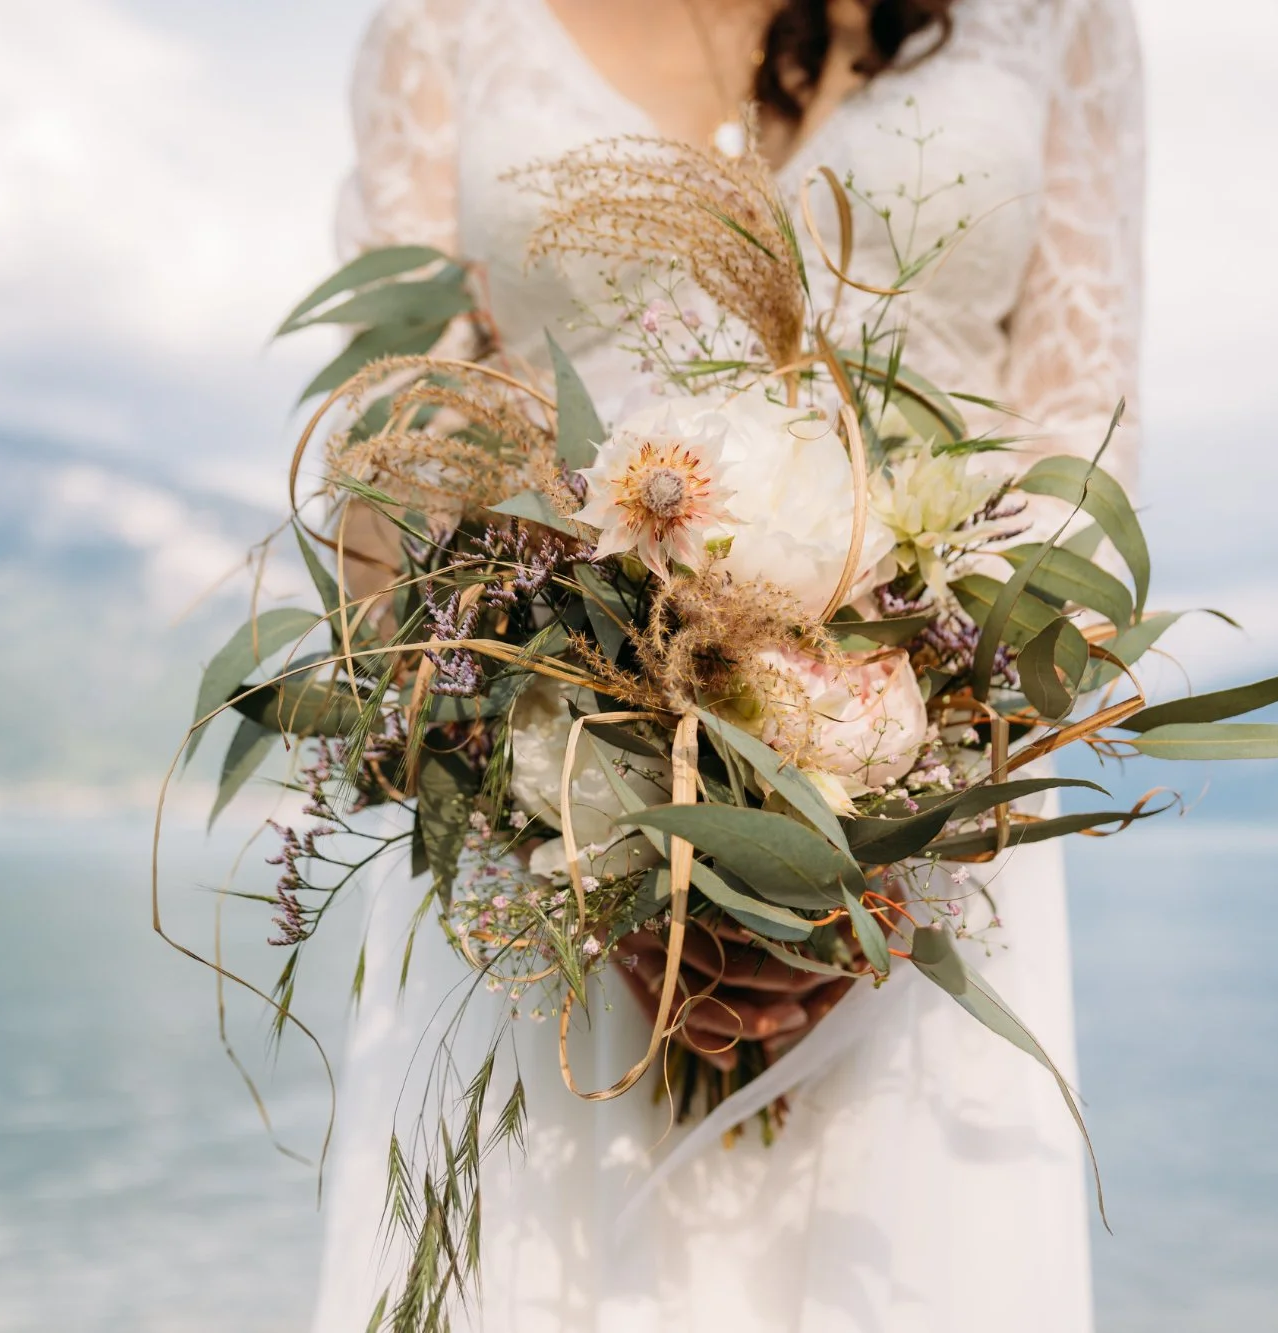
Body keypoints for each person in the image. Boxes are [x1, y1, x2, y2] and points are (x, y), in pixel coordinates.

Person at [311, 1, 1144, 1328]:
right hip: (543, 861)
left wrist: (871, 849)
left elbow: (1082, 465)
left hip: (930, 871)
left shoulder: (1055, 21)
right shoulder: (448, 22)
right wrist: (582, 811)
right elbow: (383, 444)